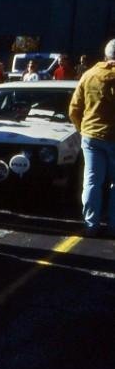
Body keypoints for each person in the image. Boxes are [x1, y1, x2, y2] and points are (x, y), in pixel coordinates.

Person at [68, 39, 115, 238]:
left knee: (92, 181)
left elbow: (74, 109)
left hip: (91, 136)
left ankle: (91, 224)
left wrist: (83, 129)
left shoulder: (89, 75)